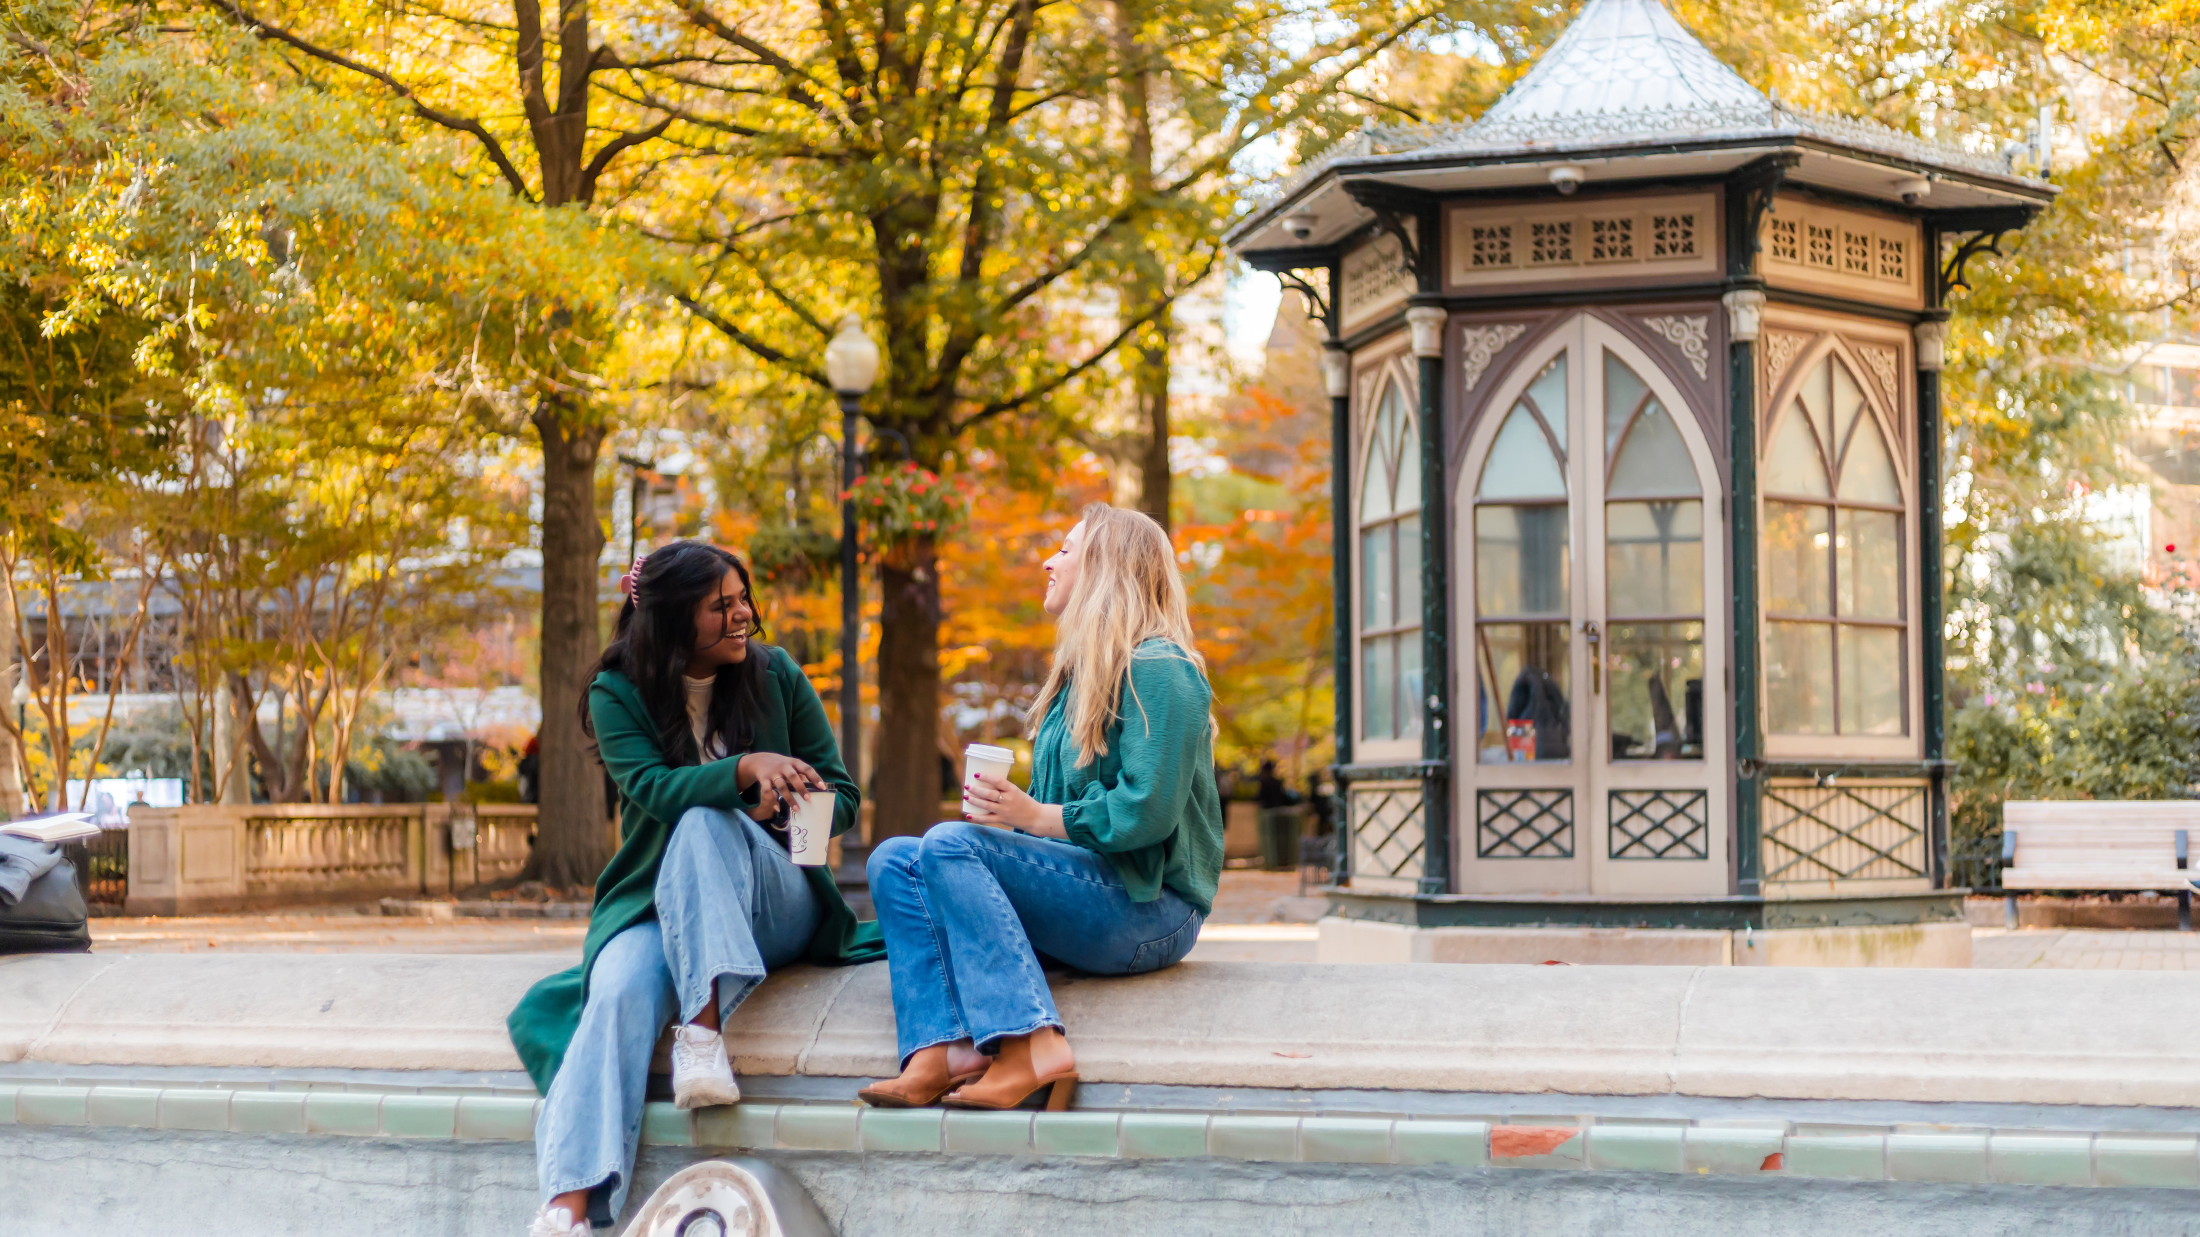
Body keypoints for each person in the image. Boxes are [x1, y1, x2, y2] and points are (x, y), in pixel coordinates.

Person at [507, 541, 882, 1237]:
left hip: (776, 895)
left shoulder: (777, 675)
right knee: (617, 990)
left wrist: (805, 806)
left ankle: (701, 1032)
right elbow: (649, 788)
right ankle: (571, 1203)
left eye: (743, 599)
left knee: (708, 819)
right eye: (722, 605)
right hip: (654, 903)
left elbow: (846, 791)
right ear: (676, 619)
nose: (743, 614)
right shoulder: (617, 690)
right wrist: (744, 771)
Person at [859, 503, 1223, 1111]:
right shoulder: (1077, 681)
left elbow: (1147, 813)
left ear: (1105, 567)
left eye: (1064, 549)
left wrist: (1031, 819)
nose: (1047, 561)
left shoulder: (1161, 669)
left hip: (1153, 910)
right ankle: (940, 1049)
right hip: (1094, 892)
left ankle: (1032, 1044)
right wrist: (1012, 828)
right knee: (895, 858)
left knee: (950, 843)